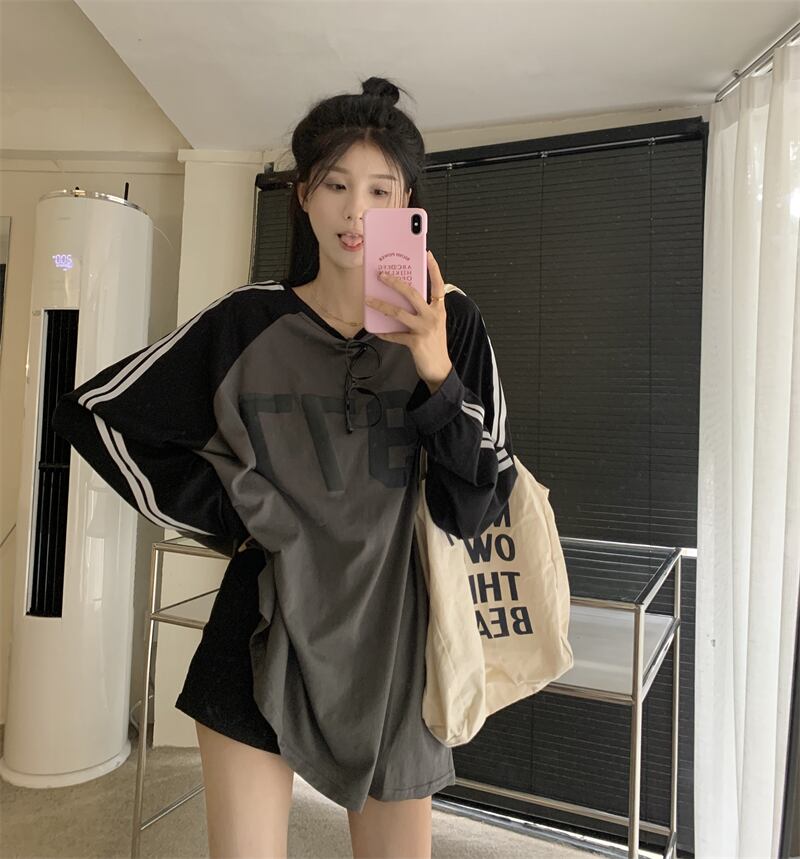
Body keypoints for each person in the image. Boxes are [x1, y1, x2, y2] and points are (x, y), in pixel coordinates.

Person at [51, 75, 517, 859]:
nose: (355, 211)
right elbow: (95, 412)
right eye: (335, 184)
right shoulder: (249, 321)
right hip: (260, 633)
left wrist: (435, 371)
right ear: (303, 196)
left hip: (395, 644)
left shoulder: (453, 323)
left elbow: (475, 505)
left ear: (408, 203)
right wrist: (237, 512)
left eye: (379, 189)